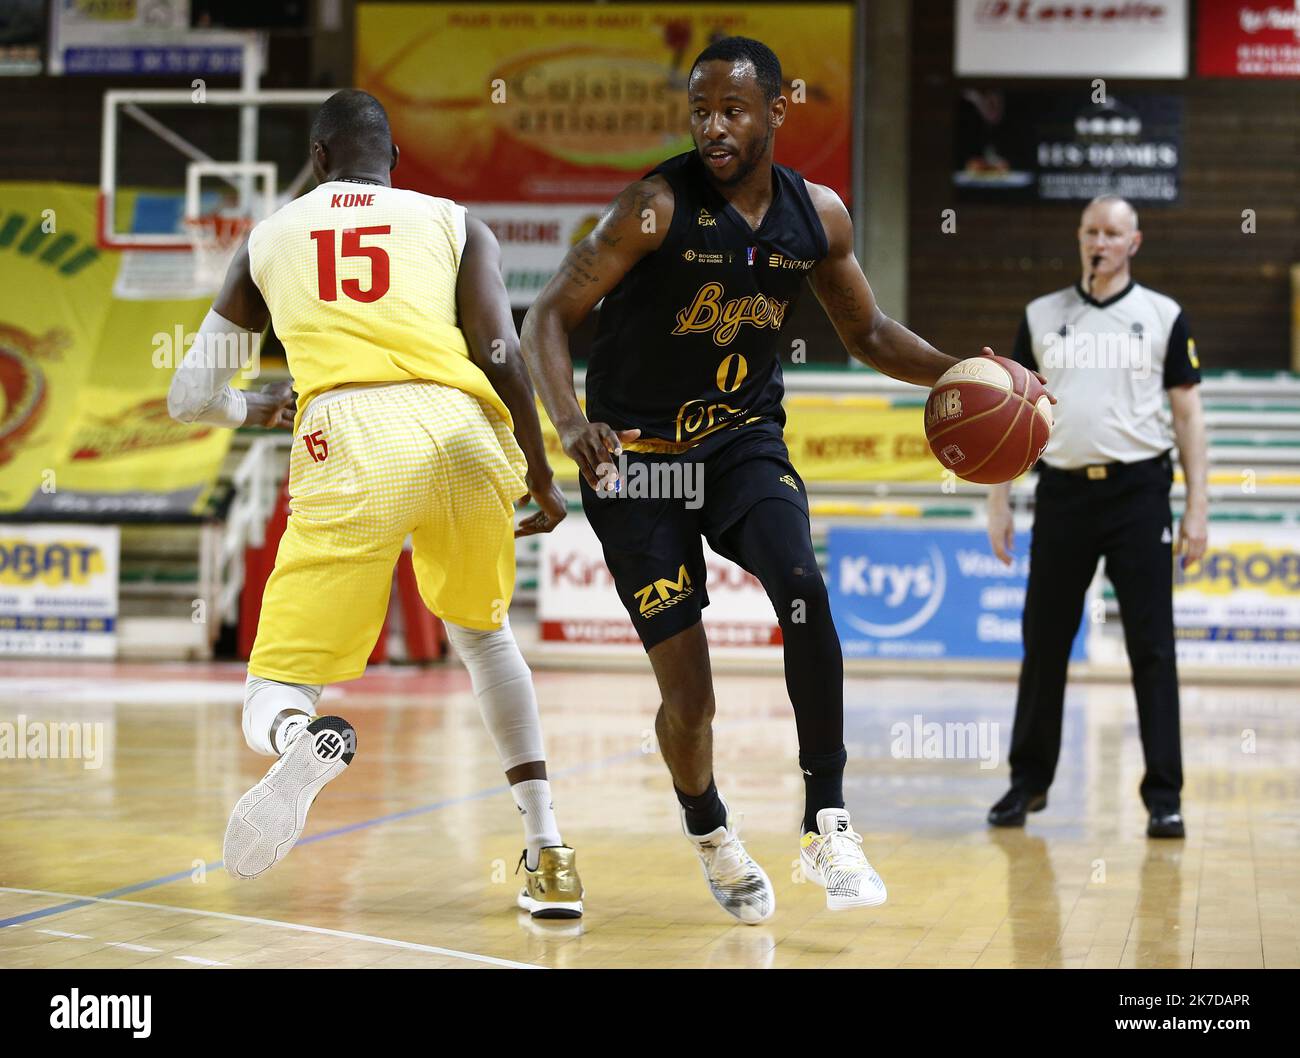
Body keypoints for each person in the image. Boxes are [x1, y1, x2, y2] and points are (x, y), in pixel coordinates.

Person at [522, 37, 983, 921]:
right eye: (700, 111)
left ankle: (827, 822)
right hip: (639, 464)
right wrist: (571, 426)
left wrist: (963, 375)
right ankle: (710, 829)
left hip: (740, 444)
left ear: (776, 111)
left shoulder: (820, 218)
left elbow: (872, 335)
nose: (713, 128)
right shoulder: (653, 208)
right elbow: (548, 314)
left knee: (802, 584)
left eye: (732, 110)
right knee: (690, 701)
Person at [167, 89, 584, 918]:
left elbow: (188, 395)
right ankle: (547, 853)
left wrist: (255, 407)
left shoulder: (267, 239)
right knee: (485, 638)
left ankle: (297, 740)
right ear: (393, 163)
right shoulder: (455, 221)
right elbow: (502, 349)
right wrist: (539, 471)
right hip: (463, 432)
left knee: (276, 682)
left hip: (348, 436)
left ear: (316, 161)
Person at [986, 194, 1208, 839]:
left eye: (1113, 233)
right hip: (1061, 494)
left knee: (1152, 647)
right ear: (1080, 237)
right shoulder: (1041, 314)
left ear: (1133, 243)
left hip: (1139, 493)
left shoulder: (1163, 316)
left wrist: (1197, 507)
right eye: (1091, 231)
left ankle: (1164, 796)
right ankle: (1027, 785)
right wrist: (999, 500)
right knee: (1044, 641)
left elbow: (1189, 416)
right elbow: (1012, 414)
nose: (1100, 242)